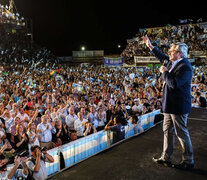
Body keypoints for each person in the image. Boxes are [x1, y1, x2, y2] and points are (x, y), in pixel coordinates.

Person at [142, 35, 194, 169]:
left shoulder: (185, 67)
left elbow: (174, 84)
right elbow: (161, 56)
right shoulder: (172, 62)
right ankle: (166, 157)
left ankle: (188, 161)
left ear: (179, 53)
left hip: (178, 107)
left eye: (171, 51)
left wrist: (164, 73)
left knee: (181, 134)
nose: (169, 53)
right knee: (167, 131)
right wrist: (150, 46)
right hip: (168, 106)